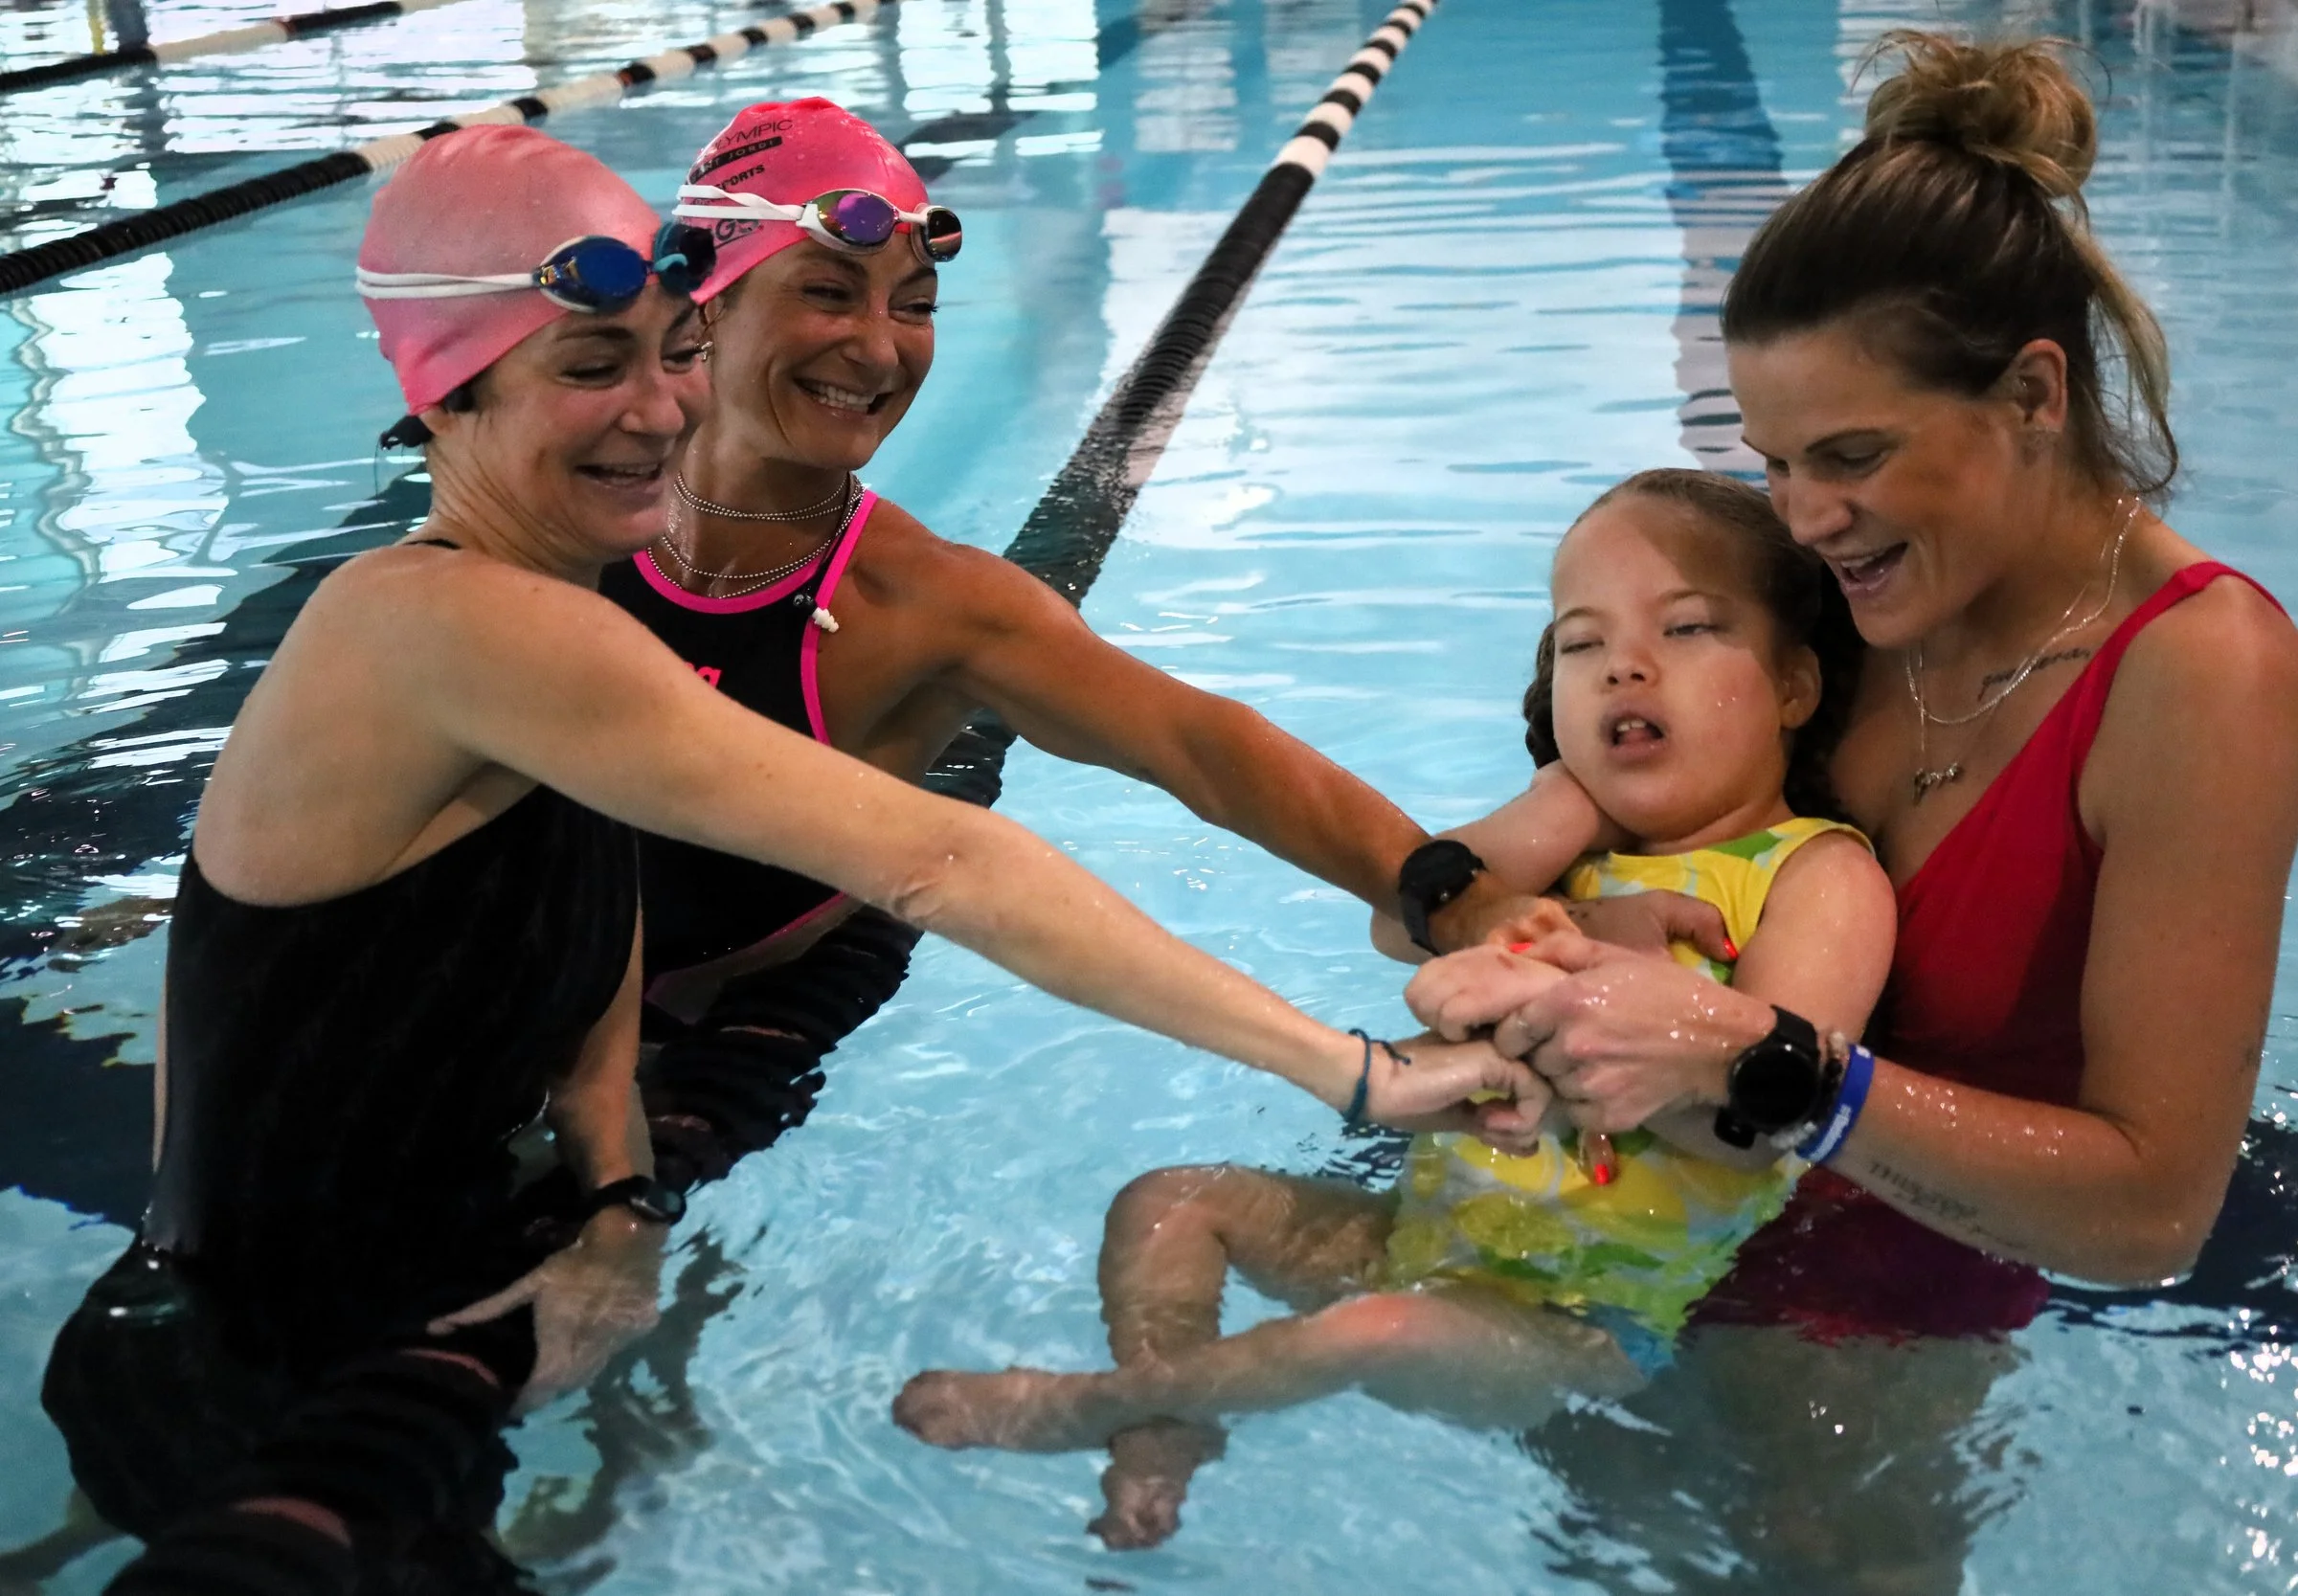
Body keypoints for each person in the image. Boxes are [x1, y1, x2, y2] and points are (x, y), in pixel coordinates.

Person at [37, 124, 1546, 1596]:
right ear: (452, 399)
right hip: (253, 1355)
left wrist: (619, 1199)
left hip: (396, 1271)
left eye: (666, 352)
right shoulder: (476, 616)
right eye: (591, 365)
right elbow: (944, 861)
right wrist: (1348, 1068)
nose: (657, 407)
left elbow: (577, 917)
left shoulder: (573, 588)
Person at [1402, 32, 2298, 1585]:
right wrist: (1527, 914)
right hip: (1611, 1233)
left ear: (2034, 394)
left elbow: (2154, 1209)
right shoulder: (1852, 595)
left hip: (1862, 1348)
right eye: (1772, 462)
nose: (1805, 519)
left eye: (1851, 456)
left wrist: (1768, 1066)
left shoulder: (2203, 675)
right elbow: (1539, 823)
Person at [600, 99, 1629, 1193]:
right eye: (827, 292)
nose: (880, 346)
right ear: (699, 302)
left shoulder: (926, 604)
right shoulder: (570, 518)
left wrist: (1454, 895)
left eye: (915, 306)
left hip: (732, 1022)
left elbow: (1199, 744)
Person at [892, 470, 1899, 1550]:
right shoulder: (1573, 854)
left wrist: (1573, 1023)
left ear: (1795, 685)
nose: (1625, 665)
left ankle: (1088, 1404)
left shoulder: (1818, 876)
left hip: (1578, 1319)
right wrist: (1559, 807)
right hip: (1419, 1237)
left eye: (1687, 627)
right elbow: (1404, 914)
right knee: (1169, 1199)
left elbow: (1763, 1129)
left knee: (1372, 1328)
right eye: (1577, 643)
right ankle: (1167, 1414)